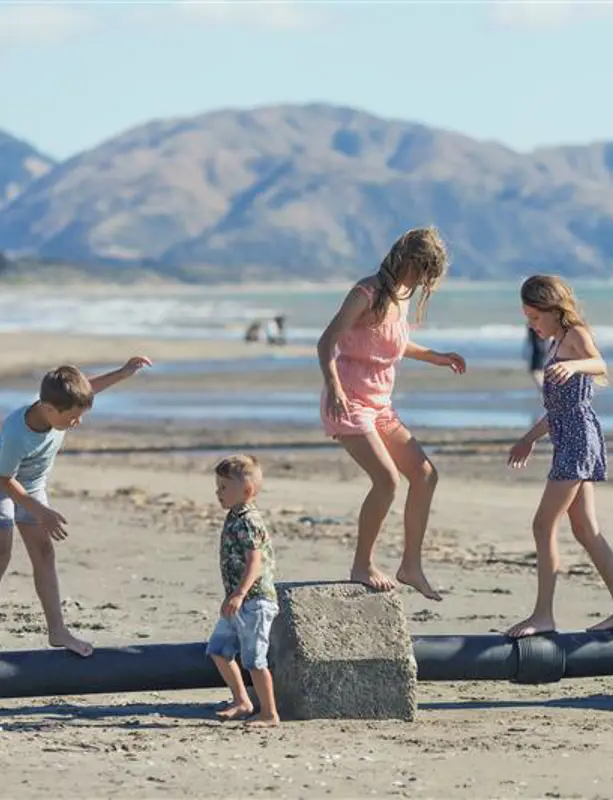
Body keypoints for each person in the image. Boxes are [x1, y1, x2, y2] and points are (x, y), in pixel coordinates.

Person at [0, 357, 152, 666]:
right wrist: (41, 510)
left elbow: (88, 388)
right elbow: (4, 479)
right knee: (0, 554)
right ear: (50, 409)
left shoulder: (57, 404)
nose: (77, 423)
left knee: (44, 552)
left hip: (32, 481)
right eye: (73, 418)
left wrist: (123, 372)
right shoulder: (18, 432)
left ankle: (58, 630)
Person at [317, 227, 466, 601]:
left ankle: (410, 565)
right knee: (386, 480)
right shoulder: (365, 293)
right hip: (348, 400)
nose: (427, 282)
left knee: (425, 474)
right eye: (426, 272)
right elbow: (326, 341)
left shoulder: (401, 296)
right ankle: (362, 564)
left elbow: (392, 342)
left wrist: (436, 356)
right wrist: (333, 385)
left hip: (380, 404)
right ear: (411, 262)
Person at [505, 275, 613, 638]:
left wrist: (576, 365)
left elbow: (599, 364)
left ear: (552, 308)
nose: (531, 325)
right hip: (569, 436)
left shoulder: (575, 334)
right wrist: (528, 439)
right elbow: (559, 411)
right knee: (585, 529)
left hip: (579, 440)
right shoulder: (555, 344)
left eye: (534, 317)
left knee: (542, 524)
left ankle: (543, 616)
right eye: (528, 318)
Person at [206, 454, 280, 726]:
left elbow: (255, 563)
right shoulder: (234, 517)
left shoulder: (249, 521)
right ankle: (241, 700)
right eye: (217, 487)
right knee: (218, 648)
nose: (218, 492)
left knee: (254, 659)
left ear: (247, 491)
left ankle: (270, 713)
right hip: (237, 599)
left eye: (224, 487)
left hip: (255, 601)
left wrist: (239, 594)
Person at [525, 325, 548, 389]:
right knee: (538, 372)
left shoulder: (536, 324)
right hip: (539, 350)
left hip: (538, 350)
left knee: (536, 372)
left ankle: (544, 389)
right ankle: (544, 389)